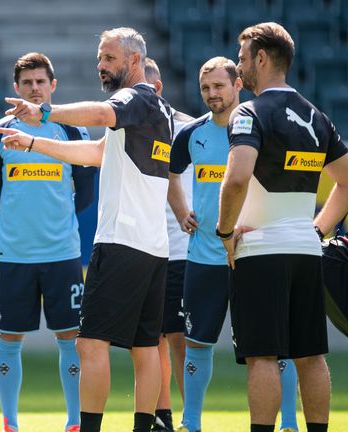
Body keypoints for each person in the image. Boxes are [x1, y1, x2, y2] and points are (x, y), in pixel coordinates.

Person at [0, 27, 173, 432]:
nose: (101, 66)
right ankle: (147, 426)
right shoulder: (158, 109)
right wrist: (34, 142)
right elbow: (95, 154)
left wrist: (46, 114)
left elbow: (102, 114)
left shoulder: (132, 99)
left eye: (109, 58)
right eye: (99, 58)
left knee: (89, 344)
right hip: (153, 246)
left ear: (135, 60)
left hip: (121, 241)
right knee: (145, 347)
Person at [217, 22, 348, 432]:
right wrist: (318, 230)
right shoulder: (316, 114)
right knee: (311, 356)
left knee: (262, 357)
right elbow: (346, 180)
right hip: (307, 253)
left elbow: (237, 178)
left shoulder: (249, 111)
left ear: (261, 58)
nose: (238, 69)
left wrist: (224, 233)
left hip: (260, 252)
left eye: (241, 59)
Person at [170, 55, 299, 432]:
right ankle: (190, 422)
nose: (212, 94)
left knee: (274, 348)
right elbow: (169, 173)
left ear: (237, 84)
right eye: (205, 88)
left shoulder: (262, 130)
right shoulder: (191, 134)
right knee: (196, 344)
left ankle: (289, 422)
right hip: (204, 258)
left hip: (256, 256)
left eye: (219, 86)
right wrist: (181, 211)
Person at [0, 52, 97, 432]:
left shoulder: (72, 131)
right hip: (15, 254)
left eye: (40, 82)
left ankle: (75, 421)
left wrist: (55, 222)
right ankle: (10, 424)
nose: (34, 88)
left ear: (53, 86)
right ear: (16, 88)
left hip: (62, 253)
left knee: (71, 338)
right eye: (27, 82)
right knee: (9, 337)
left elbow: (84, 195)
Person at [143, 57, 193, 432]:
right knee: (150, 336)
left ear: (156, 88)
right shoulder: (127, 128)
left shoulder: (191, 131)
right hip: (141, 247)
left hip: (179, 249)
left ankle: (189, 417)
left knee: (177, 336)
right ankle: (162, 418)